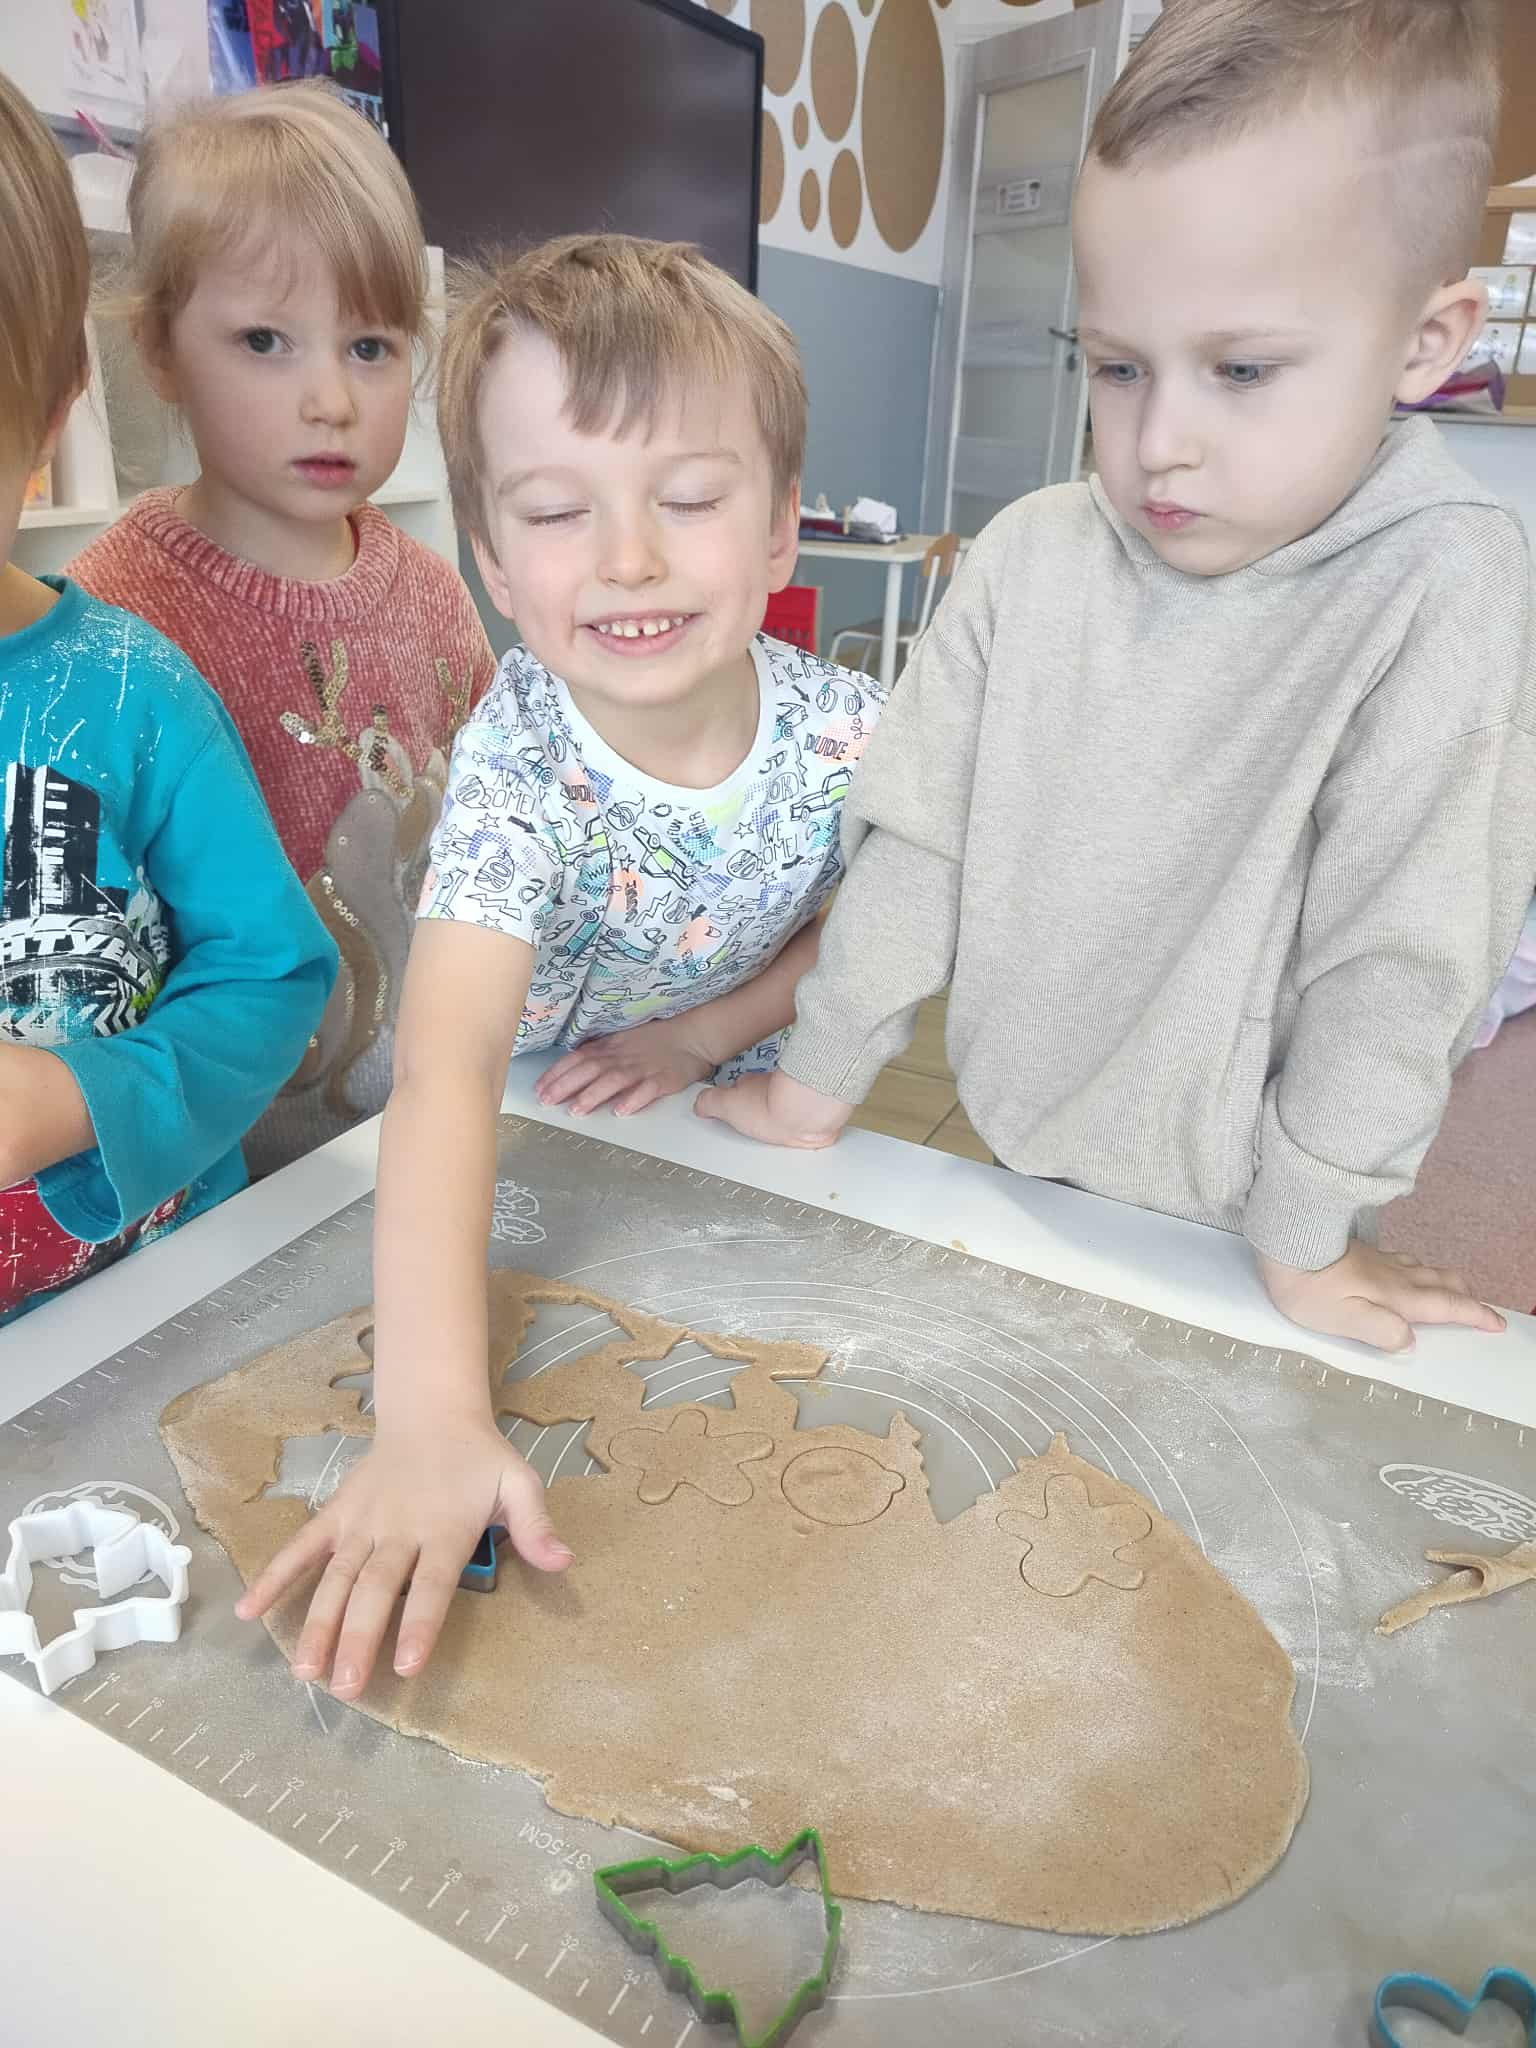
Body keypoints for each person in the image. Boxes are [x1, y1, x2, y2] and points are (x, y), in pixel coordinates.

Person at [700, 0, 1536, 1359]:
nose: (1160, 445)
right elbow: (918, 847)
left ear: (1426, 343)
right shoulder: (1031, 553)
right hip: (1016, 1150)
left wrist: (1308, 1232)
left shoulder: (1447, 579)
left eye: (1243, 369)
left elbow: (1402, 950)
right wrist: (817, 1083)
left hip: (1264, 1221)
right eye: (1118, 367)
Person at [235, 234, 884, 1691]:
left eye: (689, 498)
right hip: (537, 1108)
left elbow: (885, 925)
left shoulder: (853, 733)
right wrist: (429, 1419)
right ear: (493, 563)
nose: (628, 557)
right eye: (555, 510)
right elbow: (449, 1073)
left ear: (782, 530)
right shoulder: (518, 760)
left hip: (741, 1109)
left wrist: (706, 1033)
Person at [71, 80, 494, 1176]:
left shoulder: (433, 591)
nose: (331, 400)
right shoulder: (107, 624)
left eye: (370, 346)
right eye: (266, 340)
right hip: (221, 1180)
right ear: (159, 350)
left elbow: (504, 831)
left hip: (436, 1128)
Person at [0, 70, 335, 1323]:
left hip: (154, 1297)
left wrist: (82, 1096)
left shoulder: (132, 690)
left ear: (46, 421)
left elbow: (270, 972)